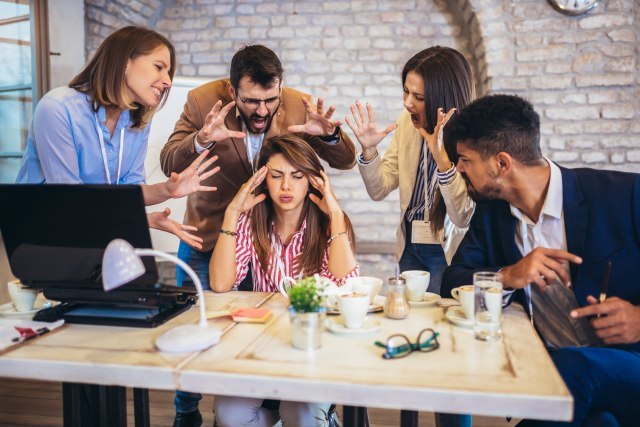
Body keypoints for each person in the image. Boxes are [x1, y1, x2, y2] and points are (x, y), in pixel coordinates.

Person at [441, 94, 640, 426]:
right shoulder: (491, 215)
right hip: (556, 373)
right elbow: (451, 281)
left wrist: (638, 318)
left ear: (502, 163)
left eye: (465, 160)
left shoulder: (624, 195)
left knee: (576, 366)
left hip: (629, 362)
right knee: (601, 422)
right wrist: (507, 275)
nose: (459, 168)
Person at [160, 44, 356, 289]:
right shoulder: (203, 101)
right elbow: (169, 163)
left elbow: (346, 161)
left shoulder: (300, 105)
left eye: (271, 100)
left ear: (280, 88)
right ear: (233, 91)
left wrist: (329, 136)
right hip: (210, 234)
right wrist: (202, 139)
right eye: (252, 101)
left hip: (268, 240)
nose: (262, 110)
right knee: (198, 307)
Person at [15, 26, 217, 249]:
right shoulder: (58, 108)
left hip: (101, 236)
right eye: (159, 67)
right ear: (124, 62)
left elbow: (129, 189)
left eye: (169, 73)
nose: (168, 81)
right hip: (47, 240)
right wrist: (142, 220)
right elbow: (70, 200)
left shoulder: (137, 121)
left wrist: (168, 190)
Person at [210, 134, 357, 426]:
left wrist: (336, 214)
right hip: (263, 343)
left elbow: (346, 287)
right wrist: (231, 213)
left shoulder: (330, 223)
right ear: (264, 180)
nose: (286, 186)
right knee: (229, 413)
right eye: (276, 176)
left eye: (297, 176)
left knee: (299, 413)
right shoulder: (250, 221)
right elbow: (220, 283)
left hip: (314, 344)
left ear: (312, 181)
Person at [346, 46, 475, 295]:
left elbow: (461, 218)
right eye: (406, 91)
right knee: (410, 313)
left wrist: (443, 162)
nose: (407, 103)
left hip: (446, 249)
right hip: (410, 243)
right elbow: (379, 189)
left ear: (443, 97)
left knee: (438, 314)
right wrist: (369, 150)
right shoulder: (406, 122)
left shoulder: (472, 136)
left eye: (419, 97)